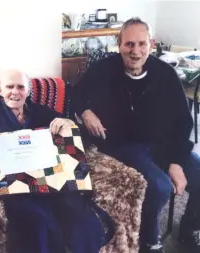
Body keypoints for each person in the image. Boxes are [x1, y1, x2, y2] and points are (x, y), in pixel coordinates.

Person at [72, 17, 200, 253]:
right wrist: (86, 111)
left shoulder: (166, 74)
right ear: (119, 44)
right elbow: (76, 94)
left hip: (162, 143)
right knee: (159, 186)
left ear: (151, 44)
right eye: (129, 44)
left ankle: (189, 229)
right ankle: (149, 240)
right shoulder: (102, 69)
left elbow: (183, 123)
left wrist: (176, 161)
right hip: (122, 143)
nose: (136, 51)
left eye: (142, 44)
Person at [0, 69, 113, 253]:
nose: (15, 92)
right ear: (1, 90)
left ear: (28, 91)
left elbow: (72, 136)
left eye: (20, 87)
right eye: (9, 87)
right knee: (37, 222)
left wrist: (67, 124)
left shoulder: (40, 111)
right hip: (15, 186)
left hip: (48, 180)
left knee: (79, 217)